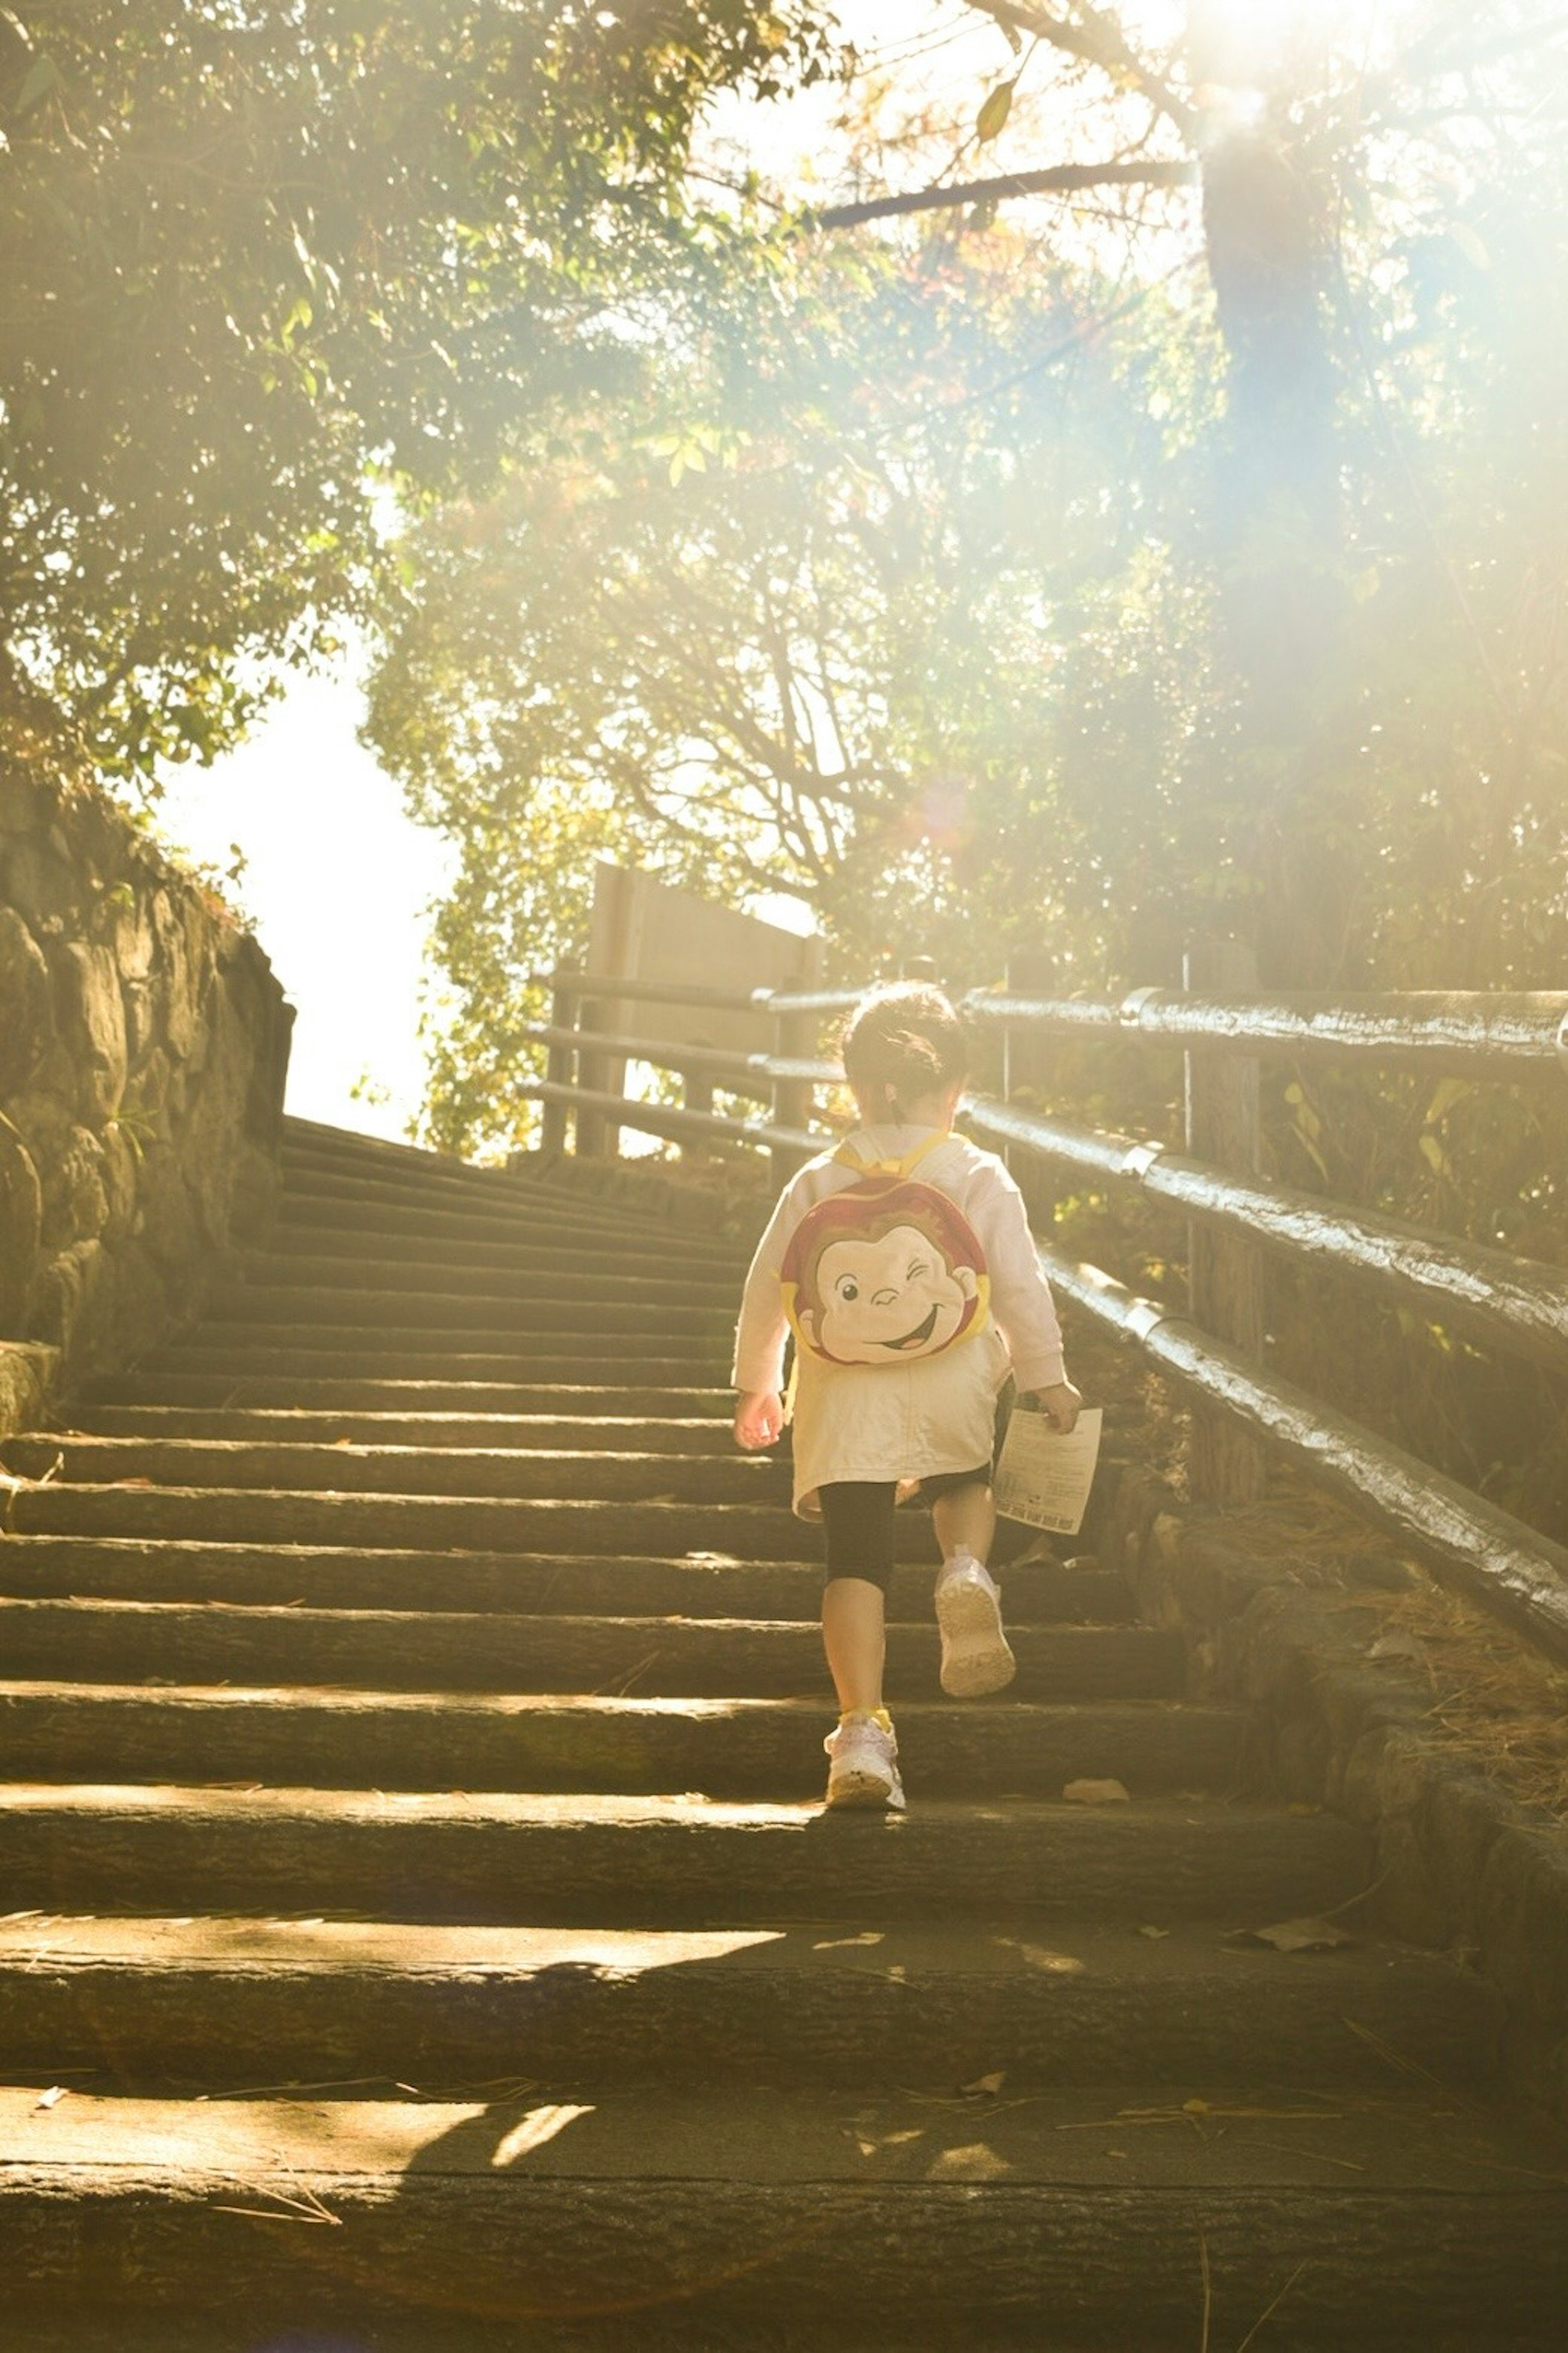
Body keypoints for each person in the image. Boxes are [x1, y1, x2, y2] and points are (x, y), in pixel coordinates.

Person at [732, 981, 1083, 1812]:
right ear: (954, 1089)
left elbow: (764, 1289)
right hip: (953, 1378)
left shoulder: (816, 1180)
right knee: (966, 1480)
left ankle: (861, 1732)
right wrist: (1049, 1376)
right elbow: (1023, 1287)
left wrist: (757, 1382)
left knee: (854, 1558)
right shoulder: (975, 1170)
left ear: (855, 1086)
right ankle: (965, 1568)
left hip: (842, 1397)